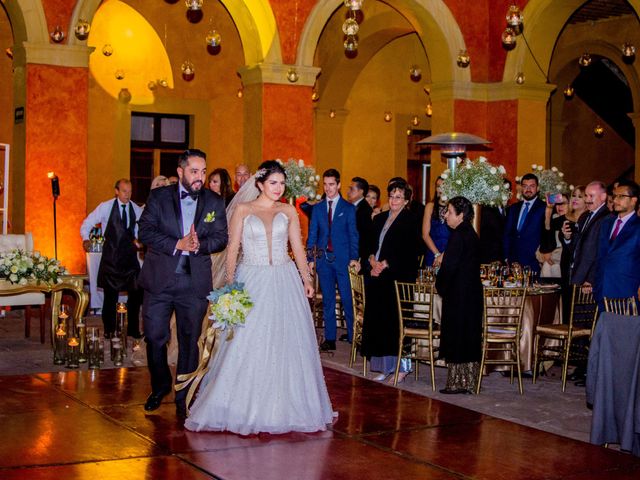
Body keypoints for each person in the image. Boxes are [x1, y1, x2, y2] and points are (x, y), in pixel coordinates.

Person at [185, 160, 335, 434]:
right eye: (273, 183)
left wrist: (306, 278)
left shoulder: (288, 210)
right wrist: (230, 284)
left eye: (281, 183)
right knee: (248, 341)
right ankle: (240, 406)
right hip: (251, 279)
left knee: (285, 341)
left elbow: (297, 248)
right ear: (259, 184)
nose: (278, 188)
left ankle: (285, 406)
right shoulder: (243, 209)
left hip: (283, 278)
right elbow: (232, 249)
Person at [138, 149, 228, 417]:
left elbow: (222, 237)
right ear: (180, 172)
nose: (200, 177)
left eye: (203, 171)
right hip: (160, 282)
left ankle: (183, 396)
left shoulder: (214, 201)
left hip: (194, 283)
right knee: (155, 337)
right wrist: (176, 244)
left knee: (190, 341)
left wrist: (201, 245)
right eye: (194, 171)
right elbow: (144, 231)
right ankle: (161, 385)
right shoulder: (159, 197)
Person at [360, 180, 420, 383]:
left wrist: (385, 264)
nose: (394, 200)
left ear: (406, 200)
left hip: (397, 278)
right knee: (379, 323)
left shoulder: (411, 220)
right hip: (377, 276)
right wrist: (371, 261)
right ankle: (384, 367)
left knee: (396, 322)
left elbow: (410, 251)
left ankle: (402, 367)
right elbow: (368, 244)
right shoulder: (380, 218)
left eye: (398, 197)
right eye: (392, 196)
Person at [80, 179, 144, 339]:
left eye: (129, 191)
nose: (127, 195)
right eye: (124, 191)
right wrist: (85, 239)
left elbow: (140, 230)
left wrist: (139, 240)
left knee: (136, 293)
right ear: (116, 191)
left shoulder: (136, 209)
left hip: (130, 258)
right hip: (111, 258)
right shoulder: (105, 207)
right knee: (110, 296)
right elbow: (87, 223)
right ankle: (109, 329)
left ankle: (133, 329)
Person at [307, 169, 359, 350]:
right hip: (323, 260)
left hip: (343, 260)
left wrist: (354, 257)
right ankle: (330, 338)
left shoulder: (348, 208)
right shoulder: (318, 208)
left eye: (331, 184)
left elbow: (354, 235)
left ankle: (354, 337)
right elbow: (312, 234)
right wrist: (310, 258)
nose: (328, 188)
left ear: (338, 185)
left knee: (347, 299)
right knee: (328, 300)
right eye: (325, 184)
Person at [435, 196, 483, 394]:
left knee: (456, 336)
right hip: (470, 294)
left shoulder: (458, 235)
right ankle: (468, 381)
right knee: (468, 337)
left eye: (449, 212)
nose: (445, 215)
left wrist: (440, 285)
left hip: (459, 295)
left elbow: (449, 266)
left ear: (461, 215)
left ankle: (456, 383)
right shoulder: (470, 233)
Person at [593, 180, 640, 311]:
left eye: (621, 196)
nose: (616, 200)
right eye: (614, 196)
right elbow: (600, 255)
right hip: (602, 291)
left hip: (627, 292)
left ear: (634, 200)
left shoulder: (638, 227)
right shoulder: (606, 223)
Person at [503, 173, 546, 272]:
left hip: (534, 262)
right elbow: (507, 234)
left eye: (532, 186)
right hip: (513, 262)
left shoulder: (544, 208)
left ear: (538, 188)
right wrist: (506, 256)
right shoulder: (513, 208)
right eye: (525, 186)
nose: (528, 189)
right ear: (521, 188)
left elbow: (547, 234)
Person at [348, 176, 373, 279]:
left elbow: (364, 237)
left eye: (351, 189)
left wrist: (356, 257)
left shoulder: (365, 210)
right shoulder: (352, 207)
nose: (348, 192)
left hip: (359, 258)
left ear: (361, 192)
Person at [422, 176, 450, 268]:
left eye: (443, 186)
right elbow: (425, 235)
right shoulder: (430, 206)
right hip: (432, 252)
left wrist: (444, 256)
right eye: (438, 186)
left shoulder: (454, 207)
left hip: (449, 252)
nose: (440, 189)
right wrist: (437, 255)